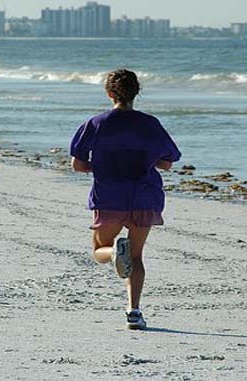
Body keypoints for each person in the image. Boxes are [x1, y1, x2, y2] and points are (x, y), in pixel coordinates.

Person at [69, 68, 181, 330]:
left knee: (100, 250)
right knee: (137, 257)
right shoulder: (150, 124)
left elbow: (78, 164)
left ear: (110, 94)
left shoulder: (96, 123)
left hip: (109, 195)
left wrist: (104, 166)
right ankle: (134, 311)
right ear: (136, 93)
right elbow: (167, 162)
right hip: (145, 195)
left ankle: (114, 255)